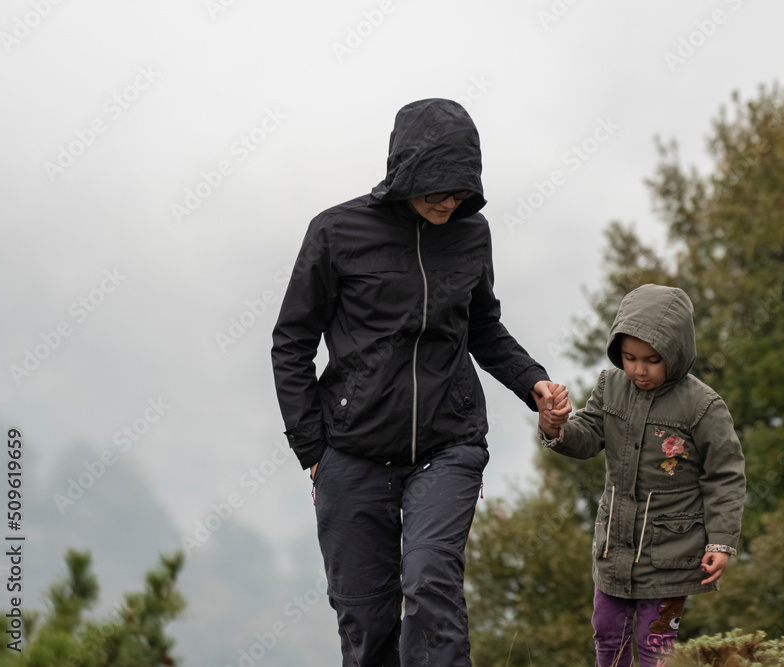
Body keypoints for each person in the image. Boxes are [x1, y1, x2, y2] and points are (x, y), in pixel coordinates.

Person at [270, 98, 565, 666]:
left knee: (431, 580)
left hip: (447, 444)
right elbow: (291, 341)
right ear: (406, 172)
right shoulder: (335, 232)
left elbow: (482, 326)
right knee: (367, 618)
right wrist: (312, 447)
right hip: (351, 452)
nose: (451, 201)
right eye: (438, 187)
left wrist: (535, 384)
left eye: (461, 190)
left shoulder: (470, 234)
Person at [537, 284, 746, 667]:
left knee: (656, 642)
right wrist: (557, 428)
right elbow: (587, 436)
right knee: (606, 631)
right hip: (613, 547)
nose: (638, 369)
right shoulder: (609, 386)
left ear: (677, 353)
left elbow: (725, 476)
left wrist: (721, 542)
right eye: (630, 357)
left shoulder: (703, 406)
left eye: (651, 359)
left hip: (671, 553)